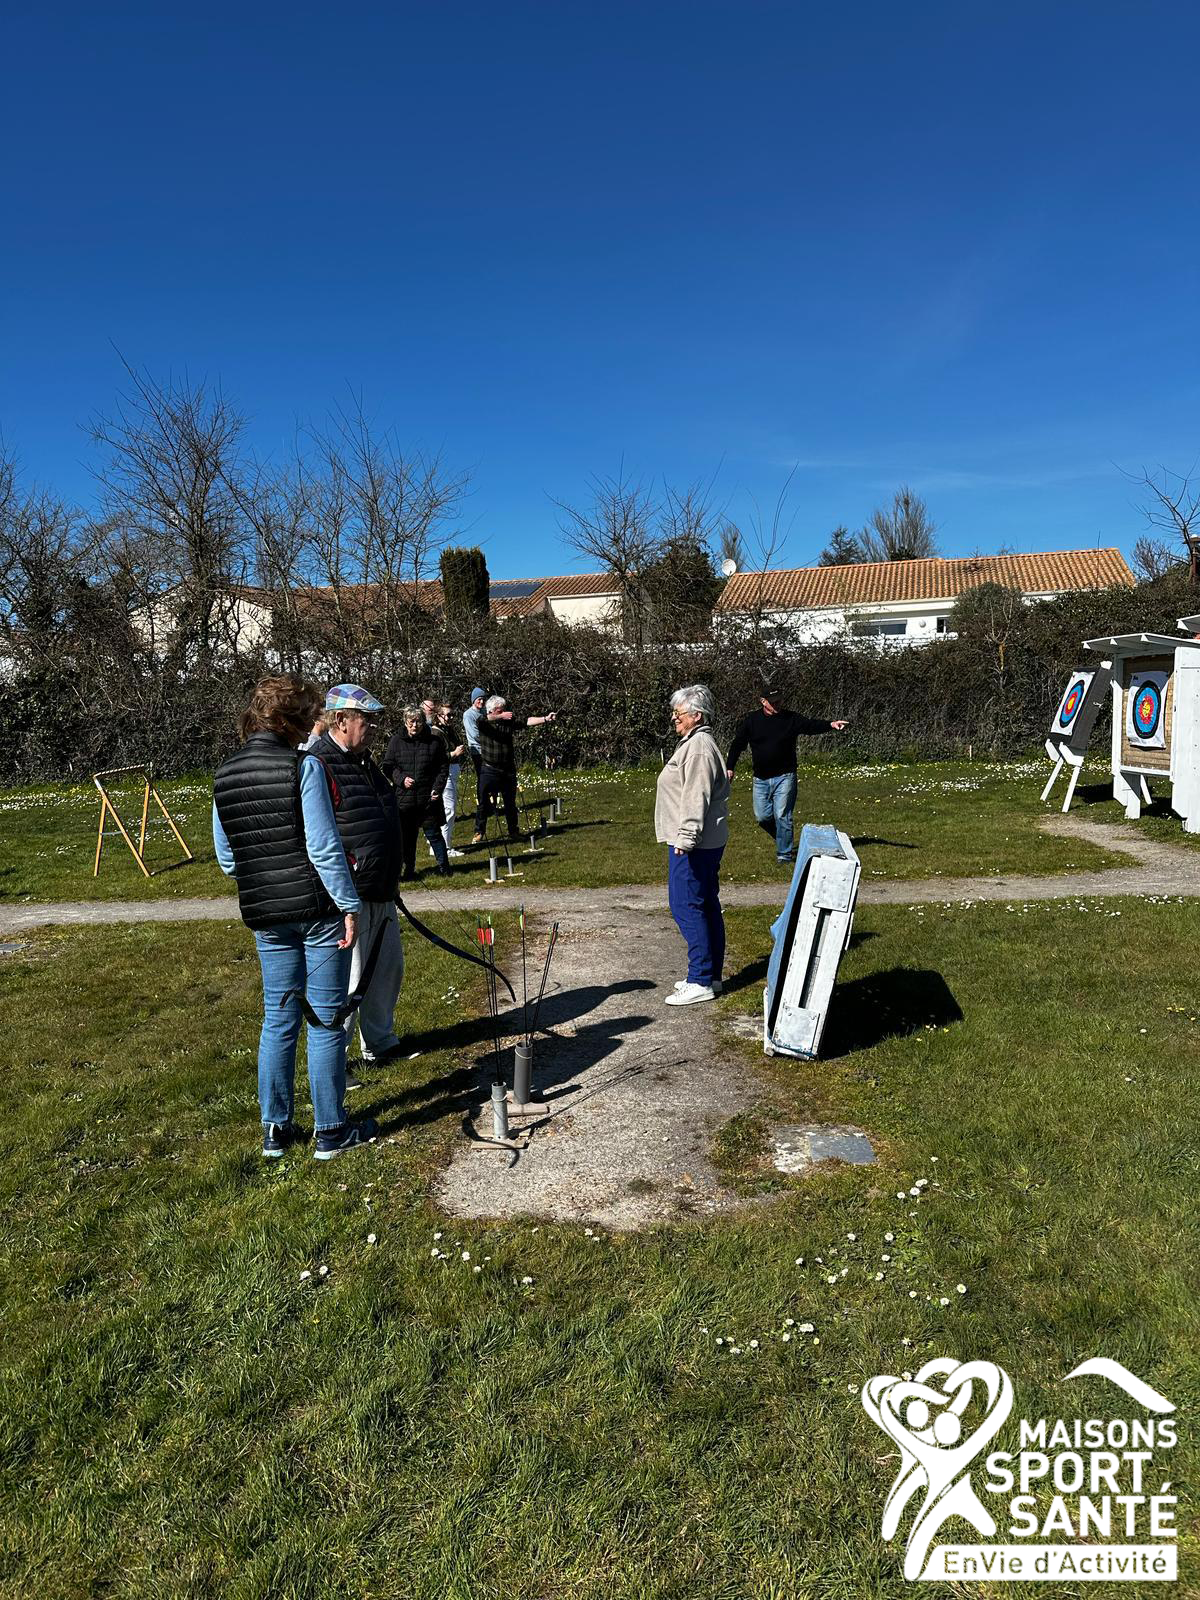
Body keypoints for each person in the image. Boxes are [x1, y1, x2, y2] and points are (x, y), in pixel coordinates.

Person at [211, 674, 377, 1160]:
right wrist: (349, 905)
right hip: (315, 910)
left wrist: (265, 873)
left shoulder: (224, 773)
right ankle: (330, 1130)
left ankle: (275, 1131)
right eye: (307, 715)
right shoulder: (303, 768)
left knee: (278, 1019)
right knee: (325, 1021)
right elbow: (324, 848)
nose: (313, 722)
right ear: (289, 720)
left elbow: (227, 858)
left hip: (265, 912)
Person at [309, 683, 407, 1077]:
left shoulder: (365, 762)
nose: (371, 727)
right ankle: (336, 1061)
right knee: (349, 980)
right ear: (340, 720)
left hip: (380, 886)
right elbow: (319, 833)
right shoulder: (321, 762)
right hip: (349, 894)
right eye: (364, 719)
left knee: (387, 969)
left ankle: (380, 1043)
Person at [655, 685, 730, 1005]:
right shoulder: (696, 743)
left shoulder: (699, 747)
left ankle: (700, 979)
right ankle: (710, 975)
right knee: (704, 904)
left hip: (694, 842)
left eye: (679, 713)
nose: (675, 718)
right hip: (704, 840)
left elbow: (695, 796)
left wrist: (686, 838)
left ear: (697, 716)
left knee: (686, 905)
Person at [726, 683, 849, 864]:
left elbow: (810, 725)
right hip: (760, 778)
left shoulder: (790, 718)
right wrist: (730, 767)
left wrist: (831, 724)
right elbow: (737, 744)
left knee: (783, 815)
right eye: (773, 702)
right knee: (762, 817)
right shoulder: (751, 721)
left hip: (785, 776)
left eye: (779, 701)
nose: (777, 705)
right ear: (763, 702)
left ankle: (784, 855)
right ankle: (784, 837)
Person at [470, 693, 558, 843]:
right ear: (493, 710)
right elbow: (483, 718)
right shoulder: (484, 722)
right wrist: (499, 717)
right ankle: (479, 831)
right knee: (484, 802)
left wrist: (545, 719)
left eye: (504, 709)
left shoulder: (508, 722)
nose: (505, 712)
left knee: (510, 802)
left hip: (507, 769)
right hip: (489, 769)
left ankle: (513, 831)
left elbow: (527, 721)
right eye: (501, 710)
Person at [381, 704, 451, 879]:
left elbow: (442, 768)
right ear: (405, 722)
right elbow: (388, 766)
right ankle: (409, 870)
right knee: (407, 839)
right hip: (404, 799)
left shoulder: (434, 741)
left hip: (428, 798)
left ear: (423, 722)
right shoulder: (396, 741)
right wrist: (401, 779)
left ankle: (444, 868)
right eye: (411, 722)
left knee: (434, 834)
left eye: (418, 722)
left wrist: (437, 789)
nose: (414, 725)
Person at [434, 700, 466, 857]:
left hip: (452, 770)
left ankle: (439, 844)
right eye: (448, 715)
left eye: (453, 715)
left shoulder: (448, 730)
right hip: (444, 772)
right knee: (449, 809)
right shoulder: (436, 733)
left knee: (447, 808)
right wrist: (454, 753)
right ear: (439, 716)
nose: (451, 718)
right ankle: (444, 847)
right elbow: (436, 757)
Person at [463, 687, 487, 786]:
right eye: (479, 699)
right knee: (482, 777)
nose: (481, 701)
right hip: (478, 751)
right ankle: (483, 800)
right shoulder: (468, 715)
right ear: (474, 700)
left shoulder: (485, 711)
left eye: (483, 699)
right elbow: (474, 734)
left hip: (488, 749)